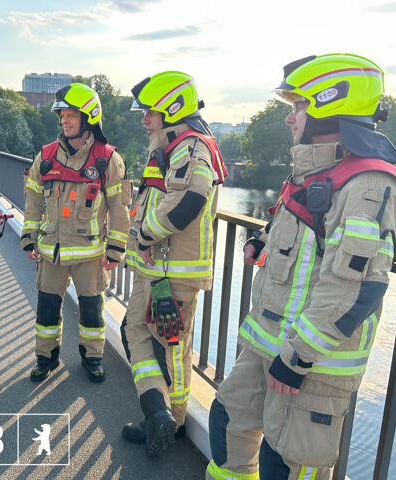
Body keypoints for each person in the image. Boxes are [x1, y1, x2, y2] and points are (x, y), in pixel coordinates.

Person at [207, 54, 396, 480]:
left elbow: (354, 287)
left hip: (312, 363)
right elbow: (293, 224)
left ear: (330, 106)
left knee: (288, 466)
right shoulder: (313, 169)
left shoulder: (368, 183)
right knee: (227, 418)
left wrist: (296, 358)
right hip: (269, 342)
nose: (290, 119)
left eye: (297, 106)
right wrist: (262, 238)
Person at [120, 71, 226, 456]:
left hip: (173, 273)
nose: (145, 119)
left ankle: (171, 420)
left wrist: (145, 234)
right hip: (156, 270)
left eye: (149, 113)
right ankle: (159, 413)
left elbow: (190, 198)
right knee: (138, 331)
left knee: (172, 348)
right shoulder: (172, 145)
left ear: (172, 110)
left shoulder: (191, 146)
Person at [22, 83, 131, 382]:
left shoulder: (107, 159)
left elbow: (120, 210)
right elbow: (33, 200)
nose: (64, 120)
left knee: (93, 314)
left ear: (88, 118)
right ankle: (45, 359)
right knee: (46, 311)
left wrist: (115, 249)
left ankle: (92, 358)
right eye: (62, 115)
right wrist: (29, 235)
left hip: (91, 255)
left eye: (71, 115)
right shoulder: (46, 156)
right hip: (51, 251)